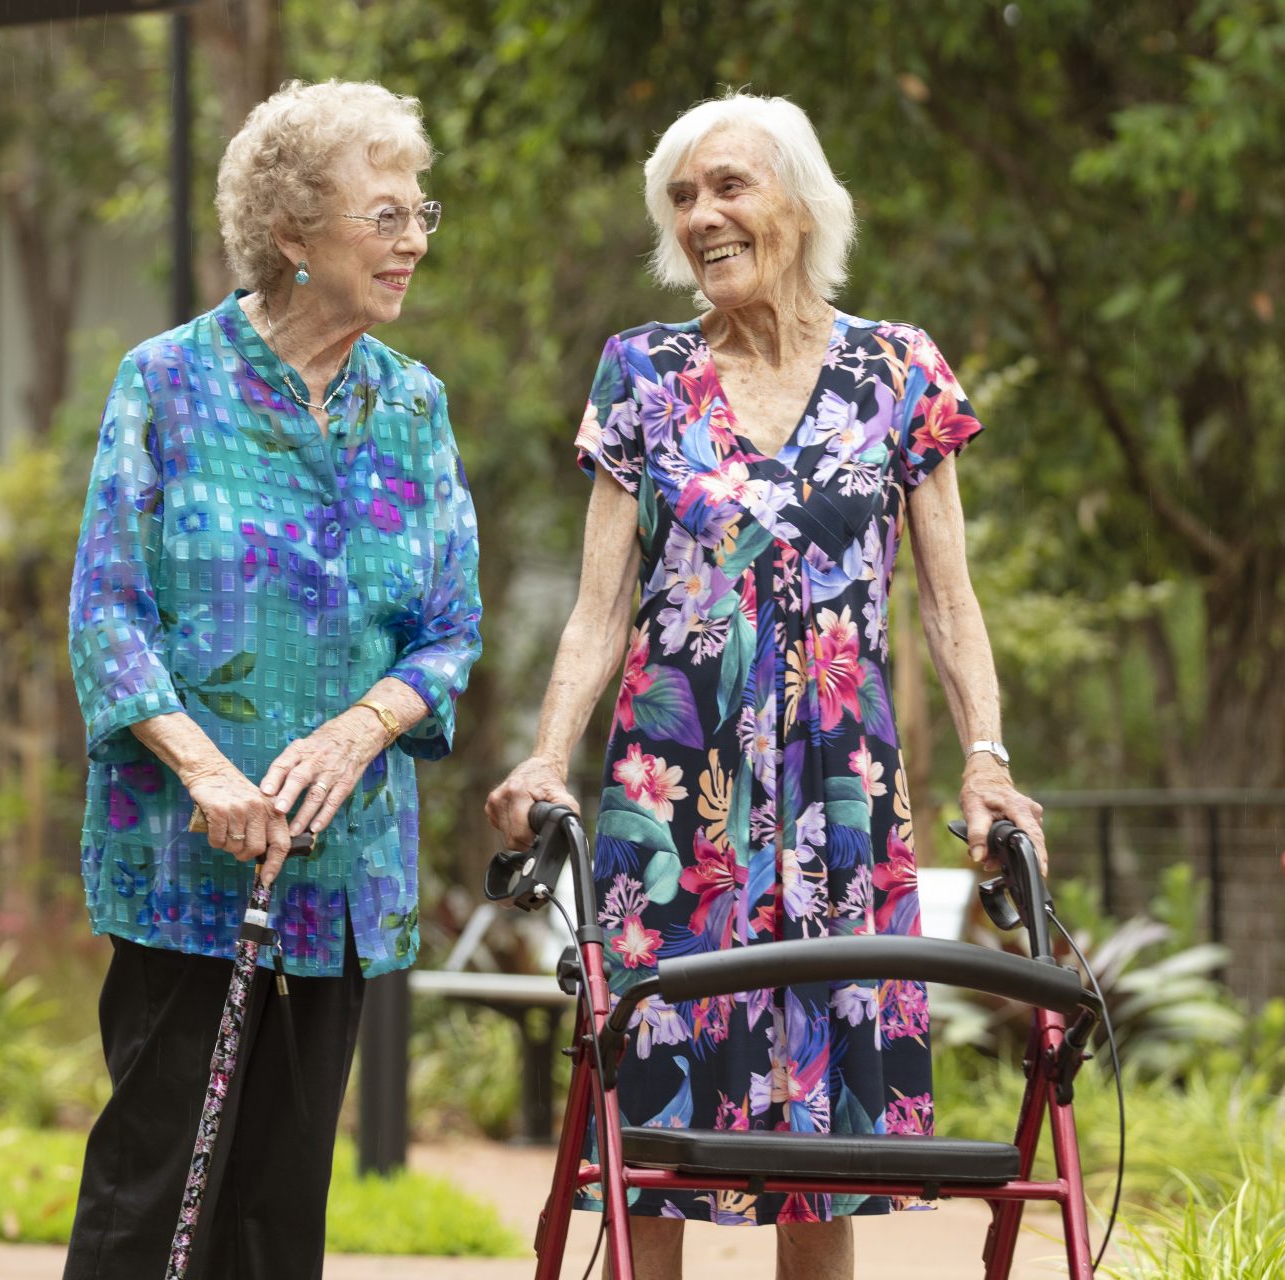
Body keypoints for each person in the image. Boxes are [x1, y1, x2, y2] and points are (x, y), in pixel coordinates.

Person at [485, 91, 1047, 1280]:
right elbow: (597, 607)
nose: (702, 215)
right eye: (681, 197)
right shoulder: (642, 372)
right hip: (671, 782)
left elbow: (948, 601)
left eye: (728, 186)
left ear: (800, 202)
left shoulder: (897, 368)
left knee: (823, 1143)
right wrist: (544, 755)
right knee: (654, 1136)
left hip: (838, 788)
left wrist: (988, 763)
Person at [63, 78, 482, 1280]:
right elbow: (107, 614)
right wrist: (206, 772)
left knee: (277, 1213)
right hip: (185, 860)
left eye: (419, 215)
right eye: (384, 216)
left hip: (341, 871)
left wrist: (359, 731)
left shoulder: (414, 405)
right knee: (152, 1189)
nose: (411, 241)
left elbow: (449, 630)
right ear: (293, 232)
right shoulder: (167, 382)